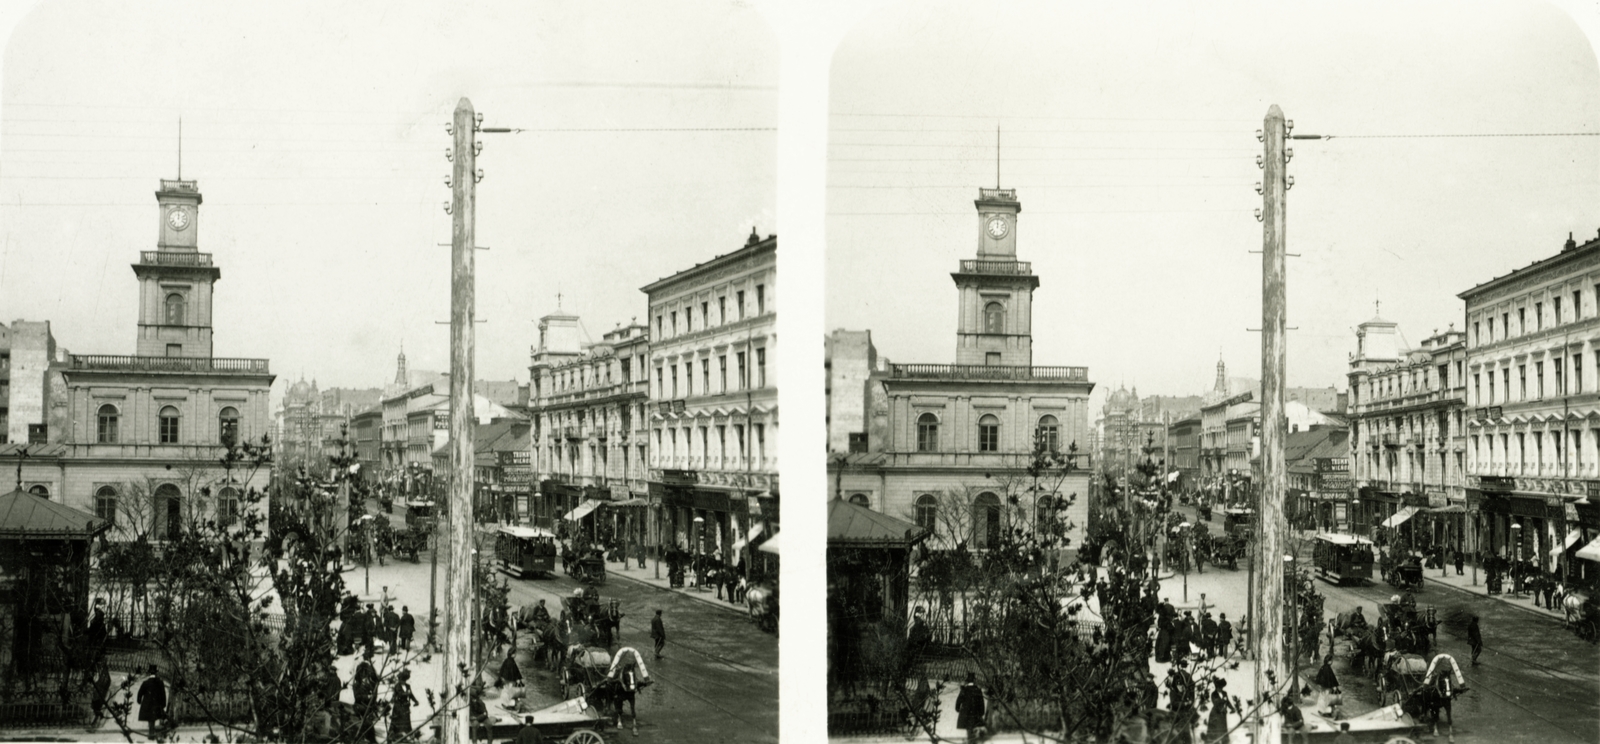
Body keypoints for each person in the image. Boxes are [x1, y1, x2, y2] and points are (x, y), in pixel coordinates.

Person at [136, 664, 168, 740]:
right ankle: (153, 734)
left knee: (150, 719)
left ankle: (151, 734)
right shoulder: (160, 682)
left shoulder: (146, 683)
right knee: (154, 718)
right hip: (156, 704)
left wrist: (139, 700)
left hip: (147, 704)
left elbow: (140, 693)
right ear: (156, 673)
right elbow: (163, 694)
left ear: (149, 673)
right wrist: (163, 704)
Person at [955, 672, 986, 743]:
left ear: (967, 681)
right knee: (973, 726)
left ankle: (970, 740)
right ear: (974, 680)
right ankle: (972, 740)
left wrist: (957, 708)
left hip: (965, 713)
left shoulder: (964, 690)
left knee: (968, 727)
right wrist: (982, 712)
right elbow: (981, 702)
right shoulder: (978, 690)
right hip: (975, 712)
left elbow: (959, 700)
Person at [389, 668, 418, 742]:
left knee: (406, 722)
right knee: (397, 722)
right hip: (398, 707)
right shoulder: (397, 686)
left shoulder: (408, 686)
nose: (403, 681)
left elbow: (411, 695)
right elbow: (400, 694)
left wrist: (415, 701)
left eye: (404, 680)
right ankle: (394, 737)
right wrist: (407, 694)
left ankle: (406, 737)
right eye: (402, 679)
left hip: (405, 707)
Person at [1205, 677, 1235, 743]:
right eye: (1219, 687)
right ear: (1216, 687)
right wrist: (1222, 706)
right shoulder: (1214, 694)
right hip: (1215, 715)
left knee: (1223, 731)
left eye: (1221, 687)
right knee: (1215, 733)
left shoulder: (1224, 693)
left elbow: (1227, 702)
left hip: (1222, 715)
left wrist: (1232, 708)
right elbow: (1215, 703)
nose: (1220, 689)